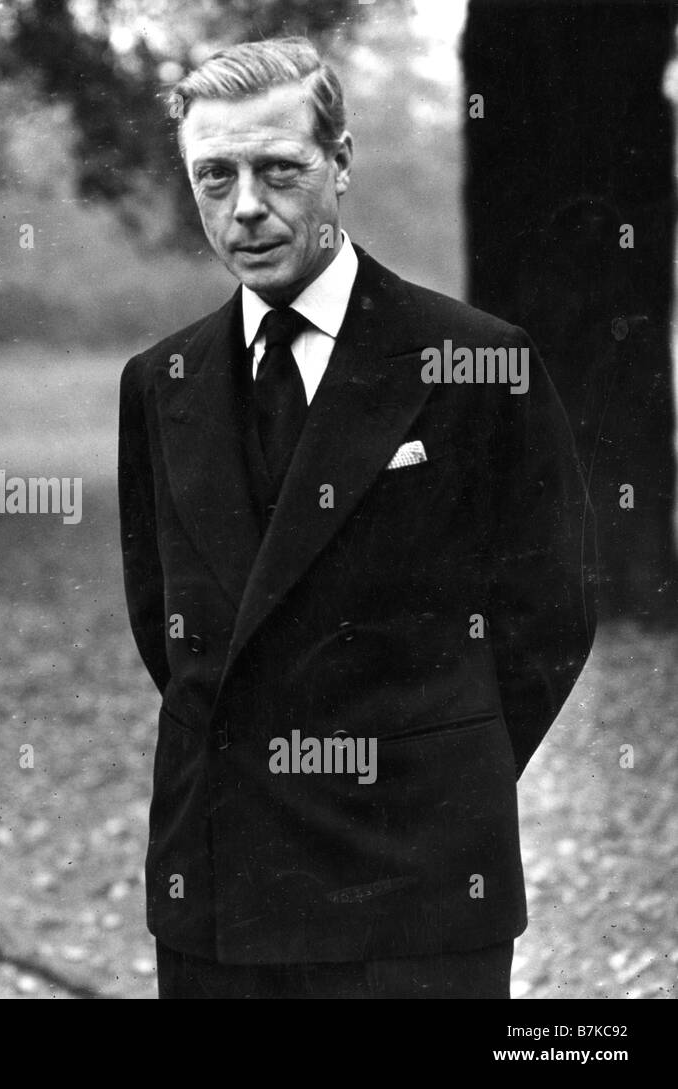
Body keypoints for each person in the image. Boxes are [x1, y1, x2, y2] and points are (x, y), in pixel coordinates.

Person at [118, 37, 596, 998]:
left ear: (340, 163)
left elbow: (552, 611)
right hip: (222, 880)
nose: (246, 206)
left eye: (279, 170)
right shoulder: (161, 382)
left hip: (413, 889)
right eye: (215, 176)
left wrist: (439, 770)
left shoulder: (474, 362)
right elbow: (167, 625)